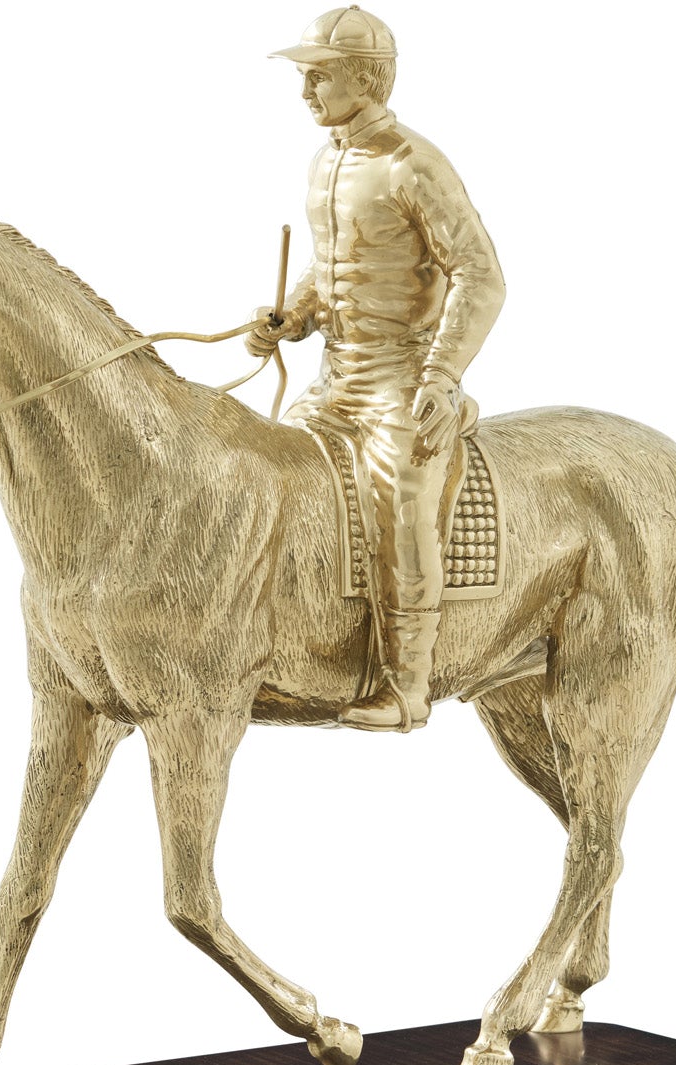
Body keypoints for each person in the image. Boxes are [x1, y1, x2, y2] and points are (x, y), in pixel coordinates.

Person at [249, 6, 506, 730]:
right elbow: (333, 269)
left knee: (401, 500)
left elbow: (481, 276)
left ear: (366, 80)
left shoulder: (411, 163)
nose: (305, 91)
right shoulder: (325, 161)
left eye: (319, 76)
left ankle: (407, 684)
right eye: (304, 76)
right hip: (335, 383)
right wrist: (293, 315)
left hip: (401, 383)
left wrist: (441, 378)